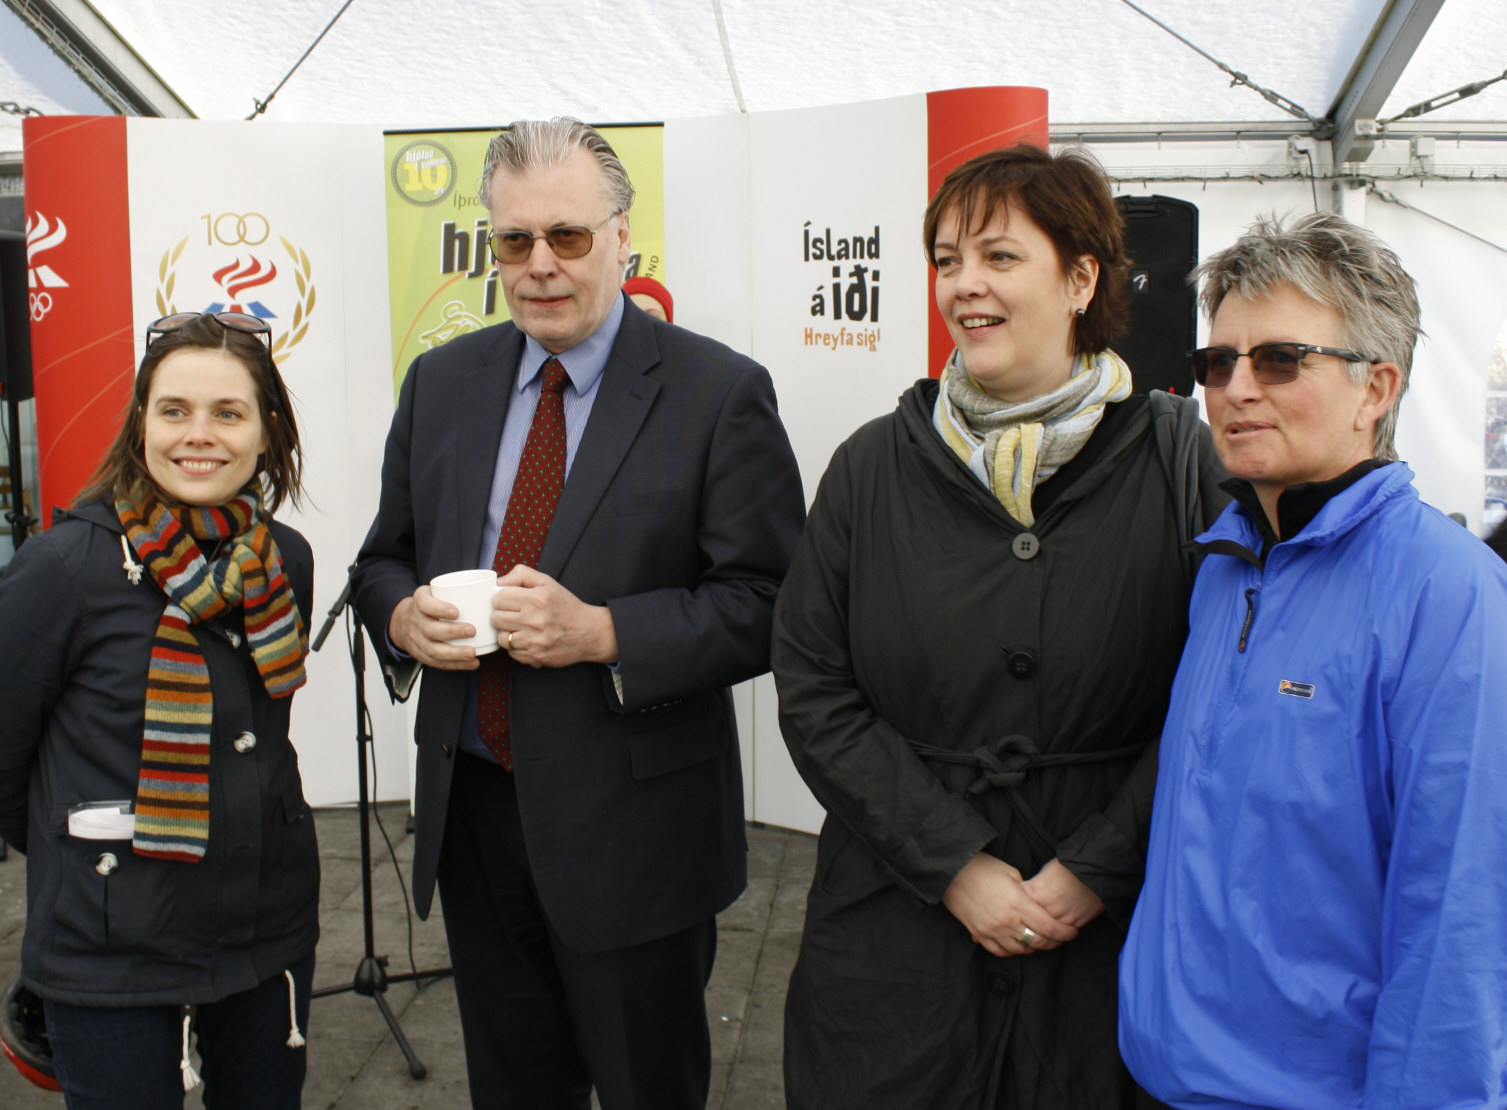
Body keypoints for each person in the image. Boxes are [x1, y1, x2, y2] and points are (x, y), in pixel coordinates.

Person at [350, 117, 804, 1109]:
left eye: (567, 236)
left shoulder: (717, 392)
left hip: (633, 825)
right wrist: (402, 621)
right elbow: (380, 560)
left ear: (622, 236)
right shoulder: (441, 384)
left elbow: (771, 604)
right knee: (514, 1089)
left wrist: (602, 633)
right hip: (474, 811)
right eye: (515, 241)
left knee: (647, 1089)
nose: (540, 265)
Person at [772, 143, 1227, 1109]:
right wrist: (953, 865)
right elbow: (813, 689)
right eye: (945, 261)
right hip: (896, 926)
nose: (963, 286)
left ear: (1080, 277)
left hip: (1110, 932)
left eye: (998, 257)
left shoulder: (1182, 460)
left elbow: (1222, 692)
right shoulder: (868, 468)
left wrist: (1098, 866)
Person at [1119, 212, 1507, 1109]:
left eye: (1279, 359)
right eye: (1218, 363)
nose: (1235, 388)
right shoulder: (1226, 563)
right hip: (1158, 1076)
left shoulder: (1450, 596)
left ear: (1376, 388)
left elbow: (1461, 919)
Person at [0, 311, 317, 1109]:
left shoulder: (284, 560)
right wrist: (84, 850)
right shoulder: (64, 568)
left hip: (263, 927)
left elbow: (262, 732)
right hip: (112, 941)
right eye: (173, 410)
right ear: (141, 420)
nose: (197, 436)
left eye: (228, 412)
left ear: (266, 428)